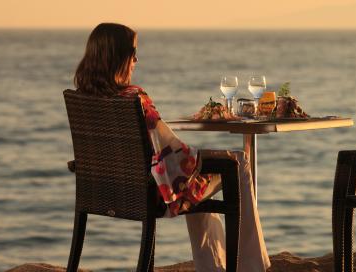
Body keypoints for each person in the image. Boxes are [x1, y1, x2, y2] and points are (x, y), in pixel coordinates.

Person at [73, 23, 270, 272]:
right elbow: (170, 152)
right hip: (155, 194)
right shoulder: (135, 98)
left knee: (197, 180)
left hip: (107, 190)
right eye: (132, 52)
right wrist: (195, 158)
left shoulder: (84, 99)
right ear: (118, 57)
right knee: (237, 161)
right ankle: (251, 267)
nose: (136, 58)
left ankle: (213, 267)